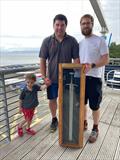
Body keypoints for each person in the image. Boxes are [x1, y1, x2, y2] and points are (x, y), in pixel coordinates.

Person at [39, 14, 79, 132]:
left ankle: (66, 120)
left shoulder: (72, 41)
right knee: (52, 100)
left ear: (66, 26)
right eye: (57, 25)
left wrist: (78, 77)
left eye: (62, 25)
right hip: (51, 79)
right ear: (53, 25)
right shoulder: (46, 41)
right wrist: (44, 77)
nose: (59, 28)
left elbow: (76, 61)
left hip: (68, 79)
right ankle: (54, 119)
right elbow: (42, 60)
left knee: (67, 100)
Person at [79, 14, 109, 143]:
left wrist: (92, 65)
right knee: (83, 103)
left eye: (88, 23)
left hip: (94, 79)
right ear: (80, 25)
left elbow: (105, 59)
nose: (86, 25)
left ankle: (95, 128)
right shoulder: (80, 43)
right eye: (83, 23)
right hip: (81, 78)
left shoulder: (100, 41)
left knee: (95, 106)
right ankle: (84, 122)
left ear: (92, 24)